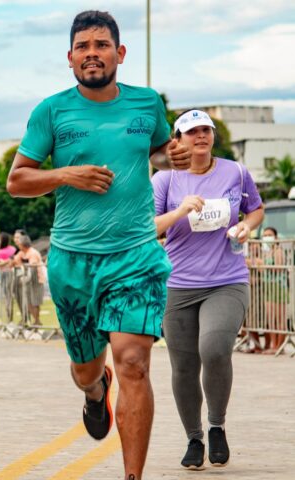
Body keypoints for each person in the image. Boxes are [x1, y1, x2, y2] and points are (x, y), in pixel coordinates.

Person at [6, 11, 192, 479]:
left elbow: (156, 149)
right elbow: (17, 180)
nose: (93, 53)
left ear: (119, 53)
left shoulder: (147, 105)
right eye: (84, 46)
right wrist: (66, 174)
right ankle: (94, 392)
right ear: (70, 58)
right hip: (72, 262)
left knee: (133, 363)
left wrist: (172, 154)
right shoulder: (51, 111)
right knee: (86, 370)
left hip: (135, 255)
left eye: (102, 44)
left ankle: (132, 476)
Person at [152, 109, 265, 470]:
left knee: (214, 349)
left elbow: (256, 209)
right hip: (178, 285)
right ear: (177, 139)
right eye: (191, 131)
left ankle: (216, 425)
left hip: (227, 281)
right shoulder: (165, 179)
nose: (200, 136)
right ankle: (194, 437)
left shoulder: (235, 171)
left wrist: (248, 226)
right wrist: (180, 211)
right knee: (183, 366)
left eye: (206, 130)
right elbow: (147, 228)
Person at [254, 226, 288, 354]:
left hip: (278, 286)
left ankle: (279, 346)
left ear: (276, 237)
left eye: (269, 234)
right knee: (270, 318)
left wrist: (262, 264)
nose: (267, 237)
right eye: (265, 235)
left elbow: (278, 268)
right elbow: (262, 269)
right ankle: (273, 346)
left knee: (279, 318)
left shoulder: (278, 250)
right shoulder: (266, 252)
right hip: (267, 285)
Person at [13, 235, 46, 326]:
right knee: (28, 302)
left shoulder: (33, 253)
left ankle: (37, 321)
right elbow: (15, 261)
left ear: (23, 244)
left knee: (34, 302)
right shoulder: (22, 253)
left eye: (19, 244)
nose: (18, 245)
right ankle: (33, 321)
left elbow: (32, 267)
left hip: (36, 280)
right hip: (28, 281)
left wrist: (23, 272)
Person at [0, 232, 18, 322]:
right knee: (10, 296)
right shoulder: (13, 249)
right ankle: (10, 318)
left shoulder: (0, 252)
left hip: (5, 274)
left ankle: (9, 318)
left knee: (7, 296)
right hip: (13, 273)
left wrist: (1, 262)